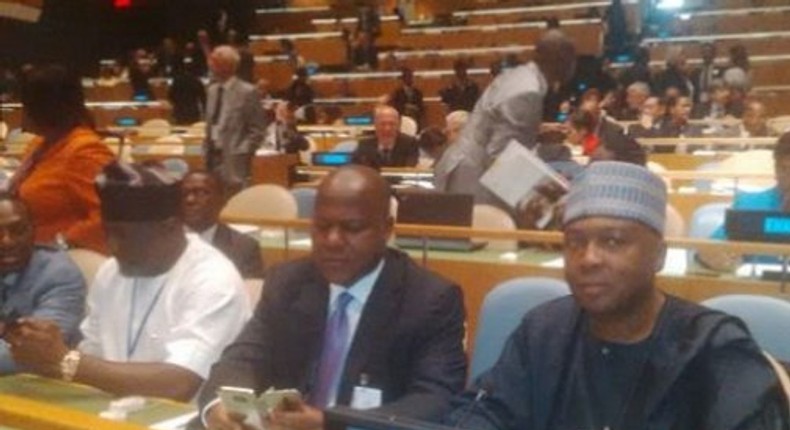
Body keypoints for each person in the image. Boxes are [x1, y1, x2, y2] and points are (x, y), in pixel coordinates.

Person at [447, 161, 789, 429]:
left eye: (613, 241)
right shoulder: (543, 331)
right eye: (575, 242)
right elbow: (486, 411)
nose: (589, 258)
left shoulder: (713, 350)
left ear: (658, 255)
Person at [200, 165, 466, 430]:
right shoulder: (288, 281)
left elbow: (437, 400)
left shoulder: (430, 300)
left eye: (352, 228)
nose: (332, 240)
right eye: (322, 226)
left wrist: (331, 424)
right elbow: (245, 356)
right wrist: (219, 407)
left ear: (386, 229)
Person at [6, 161, 250, 402]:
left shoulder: (213, 279)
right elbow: (93, 353)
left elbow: (180, 383)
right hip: (110, 411)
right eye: (108, 233)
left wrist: (65, 361)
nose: (112, 246)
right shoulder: (112, 271)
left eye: (124, 236)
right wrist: (41, 352)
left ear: (170, 228)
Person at [433, 30, 577, 205]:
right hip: (474, 176)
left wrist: (536, 135)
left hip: (466, 165)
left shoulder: (518, 76)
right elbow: (501, 156)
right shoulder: (527, 91)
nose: (574, 65)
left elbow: (496, 128)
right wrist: (548, 189)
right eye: (572, 58)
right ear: (559, 60)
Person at [12, 64, 115, 253]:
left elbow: (110, 215)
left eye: (25, 105)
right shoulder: (38, 145)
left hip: (59, 263)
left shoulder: (85, 151)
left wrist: (59, 244)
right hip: (22, 254)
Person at [0, 193, 85, 374]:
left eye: (18, 230)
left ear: (33, 230)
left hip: (42, 387)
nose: (7, 241)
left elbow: (31, 353)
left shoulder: (59, 275)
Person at [700, 132, 790, 271]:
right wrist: (722, 259)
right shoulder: (748, 204)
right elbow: (708, 252)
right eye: (786, 169)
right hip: (755, 289)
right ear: (776, 169)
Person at [203, 45, 267, 193]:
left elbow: (258, 130)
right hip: (212, 157)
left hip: (234, 160)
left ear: (227, 65)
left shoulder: (247, 92)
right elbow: (211, 123)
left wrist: (242, 151)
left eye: (215, 61)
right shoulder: (212, 91)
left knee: (233, 201)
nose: (210, 65)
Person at [181, 170, 264, 279]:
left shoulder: (244, 248)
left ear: (222, 199)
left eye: (201, 193)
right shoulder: (163, 244)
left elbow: (249, 293)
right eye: (184, 193)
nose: (189, 199)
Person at [353, 105, 419, 168]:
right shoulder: (364, 144)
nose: (387, 128)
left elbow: (409, 169)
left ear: (399, 125)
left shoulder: (410, 143)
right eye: (382, 124)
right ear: (375, 125)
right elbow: (357, 169)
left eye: (392, 124)